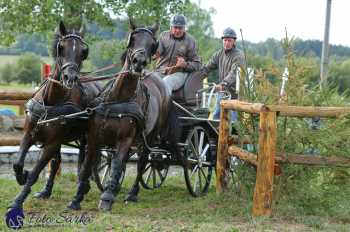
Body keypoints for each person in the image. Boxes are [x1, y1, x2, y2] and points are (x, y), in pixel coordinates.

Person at [201, 27, 245, 121]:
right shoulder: (219, 54)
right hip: (222, 92)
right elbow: (208, 67)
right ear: (222, 40)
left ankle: (233, 135)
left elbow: (234, 73)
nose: (227, 43)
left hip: (235, 94)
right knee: (217, 116)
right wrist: (197, 77)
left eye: (229, 40)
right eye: (225, 40)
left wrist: (223, 83)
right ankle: (217, 135)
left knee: (233, 121)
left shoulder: (239, 55)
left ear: (234, 41)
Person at [155, 14, 201, 95]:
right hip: (161, 71)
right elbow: (156, 53)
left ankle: (164, 107)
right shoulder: (163, 36)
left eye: (180, 28)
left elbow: (198, 64)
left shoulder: (191, 41)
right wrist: (154, 54)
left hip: (179, 74)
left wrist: (185, 65)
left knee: (166, 82)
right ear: (171, 27)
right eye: (175, 27)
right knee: (146, 81)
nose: (177, 30)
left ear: (185, 28)